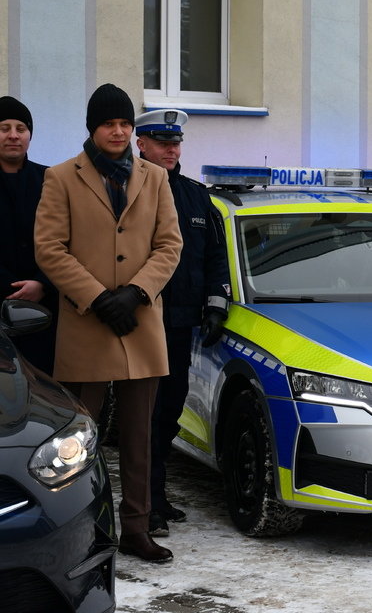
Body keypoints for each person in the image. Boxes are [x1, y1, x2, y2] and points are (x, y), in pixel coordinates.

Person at [34, 83, 183, 563]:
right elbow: (49, 249)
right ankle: (77, 529)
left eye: (124, 123)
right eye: (108, 124)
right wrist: (98, 298)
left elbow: (169, 245)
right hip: (87, 324)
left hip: (139, 323)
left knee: (139, 437)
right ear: (92, 129)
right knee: (77, 440)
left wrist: (136, 293)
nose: (118, 131)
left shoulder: (155, 179)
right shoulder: (61, 177)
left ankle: (136, 527)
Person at [133, 110, 231, 537]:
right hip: (137, 323)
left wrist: (215, 305)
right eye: (161, 141)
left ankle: (157, 496)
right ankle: (145, 504)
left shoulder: (194, 195)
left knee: (169, 414)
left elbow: (214, 256)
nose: (171, 149)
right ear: (141, 144)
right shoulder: (126, 189)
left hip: (178, 327)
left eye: (176, 143)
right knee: (145, 417)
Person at [0, 96, 57, 375]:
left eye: (21, 128)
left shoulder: (51, 180)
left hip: (44, 316)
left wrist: (43, 283)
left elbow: (68, 240)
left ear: (30, 135)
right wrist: (11, 288)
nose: (13, 135)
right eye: (4, 128)